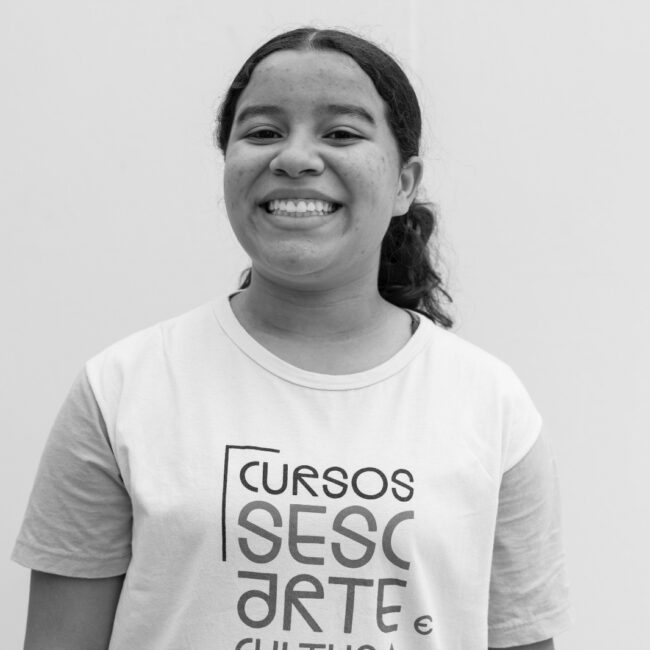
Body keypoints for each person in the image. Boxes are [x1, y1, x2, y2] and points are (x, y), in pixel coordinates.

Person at [12, 27, 573, 650]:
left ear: (404, 183)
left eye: (341, 133)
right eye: (262, 132)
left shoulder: (492, 406)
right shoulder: (119, 389)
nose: (295, 158)